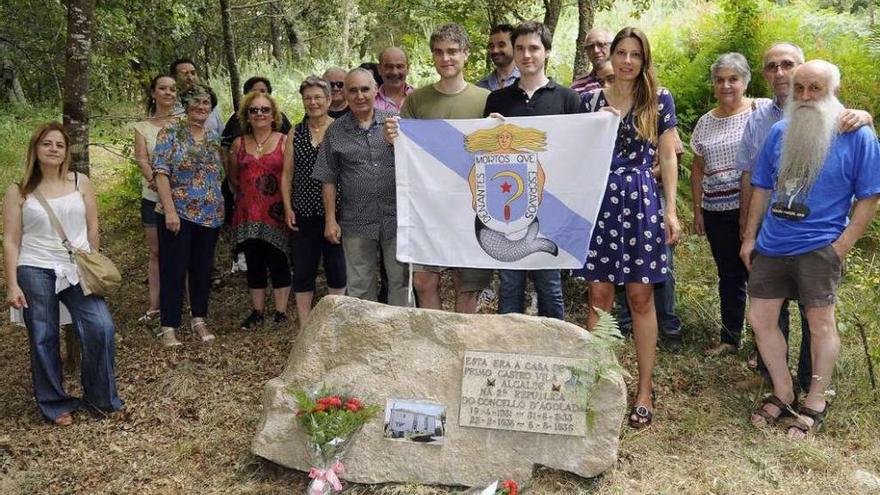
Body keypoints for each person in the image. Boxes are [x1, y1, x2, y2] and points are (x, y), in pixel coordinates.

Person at [741, 60, 880, 438]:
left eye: (814, 88)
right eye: (799, 88)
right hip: (772, 244)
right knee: (760, 319)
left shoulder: (857, 135)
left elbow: (869, 197)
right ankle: (783, 391)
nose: (803, 96)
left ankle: (816, 400)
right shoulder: (779, 132)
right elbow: (763, 188)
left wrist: (843, 245)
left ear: (832, 90)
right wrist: (750, 238)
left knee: (820, 325)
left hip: (820, 248)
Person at [579, 27, 681, 428]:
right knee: (599, 295)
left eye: (634, 54)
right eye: (620, 52)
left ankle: (643, 388)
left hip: (640, 199)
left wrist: (670, 209)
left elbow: (669, 156)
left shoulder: (658, 99)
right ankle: (597, 384)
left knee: (641, 296)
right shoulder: (590, 102)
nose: (626, 60)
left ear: (644, 59)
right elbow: (568, 148)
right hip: (600, 201)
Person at [3, 122, 124, 426]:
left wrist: (92, 259)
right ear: (35, 148)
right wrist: (12, 284)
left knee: (101, 327)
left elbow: (93, 225)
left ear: (67, 150)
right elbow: (11, 240)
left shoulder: (79, 181)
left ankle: (100, 398)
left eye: (59, 144)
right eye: (47, 143)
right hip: (35, 266)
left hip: (76, 267)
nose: (53, 149)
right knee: (43, 335)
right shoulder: (19, 191)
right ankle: (55, 403)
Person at [384, 23, 492, 313]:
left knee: (466, 284)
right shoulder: (417, 100)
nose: (446, 58)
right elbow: (405, 151)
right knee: (423, 281)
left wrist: (496, 129)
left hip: (470, 206)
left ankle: (461, 345)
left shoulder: (485, 100)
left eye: (453, 52)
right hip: (427, 205)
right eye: (439, 52)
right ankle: (436, 345)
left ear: (465, 54)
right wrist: (393, 138)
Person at [482, 21, 582, 319]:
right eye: (520, 48)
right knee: (510, 281)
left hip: (552, 205)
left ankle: (557, 350)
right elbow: (483, 156)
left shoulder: (568, 99)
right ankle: (508, 348)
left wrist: (604, 123)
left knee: (549, 282)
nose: (527, 55)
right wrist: (488, 130)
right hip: (508, 206)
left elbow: (582, 150)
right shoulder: (497, 100)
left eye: (534, 48)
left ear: (547, 52)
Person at [312, 68, 409, 306]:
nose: (359, 96)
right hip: (356, 220)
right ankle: (365, 337)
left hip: (396, 217)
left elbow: (416, 164)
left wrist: (398, 144)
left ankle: (402, 337)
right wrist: (330, 220)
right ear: (344, 94)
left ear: (376, 90)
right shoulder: (335, 131)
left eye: (365, 89)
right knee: (360, 286)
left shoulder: (395, 123)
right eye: (353, 90)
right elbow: (328, 177)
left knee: (401, 283)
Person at [690, 53, 766, 357]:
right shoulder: (705, 123)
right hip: (716, 211)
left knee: (760, 276)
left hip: (756, 209)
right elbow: (697, 169)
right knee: (729, 275)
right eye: (720, 80)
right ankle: (731, 338)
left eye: (733, 79)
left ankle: (764, 346)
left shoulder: (761, 110)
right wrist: (697, 209)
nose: (726, 85)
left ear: (745, 80)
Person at [152, 83, 225, 346]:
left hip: (210, 214)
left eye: (206, 103)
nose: (201, 107)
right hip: (178, 213)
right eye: (196, 102)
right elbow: (160, 173)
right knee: (173, 269)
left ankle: (199, 319)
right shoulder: (169, 133)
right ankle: (169, 325)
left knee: (202, 269)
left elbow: (217, 174)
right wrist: (170, 211)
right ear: (185, 104)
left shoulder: (213, 137)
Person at [282, 76, 347, 327]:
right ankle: (305, 324)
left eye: (318, 97)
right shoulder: (295, 132)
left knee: (336, 265)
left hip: (337, 210)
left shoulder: (341, 129)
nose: (313, 102)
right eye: (308, 98)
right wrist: (288, 206)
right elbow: (287, 173)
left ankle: (334, 322)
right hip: (303, 210)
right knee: (304, 267)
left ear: (329, 99)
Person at [229, 91, 291, 329]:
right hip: (247, 213)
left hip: (276, 212)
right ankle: (257, 311)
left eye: (265, 110)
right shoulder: (238, 144)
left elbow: (290, 176)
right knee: (254, 262)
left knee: (278, 259)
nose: (260, 114)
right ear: (247, 115)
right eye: (254, 110)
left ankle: (281, 311)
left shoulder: (285, 141)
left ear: (273, 114)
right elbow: (234, 178)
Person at [132, 74, 177, 322]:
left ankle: (187, 303)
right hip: (152, 196)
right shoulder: (143, 127)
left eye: (172, 89)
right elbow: (142, 159)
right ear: (153, 93)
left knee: (183, 250)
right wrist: (158, 184)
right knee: (156, 251)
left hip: (182, 198)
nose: (168, 93)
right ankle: (155, 304)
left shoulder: (183, 123)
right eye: (162, 88)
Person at [169, 58, 224, 135]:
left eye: (193, 73)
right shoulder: (170, 106)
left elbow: (222, 133)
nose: (190, 77)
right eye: (185, 73)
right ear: (174, 77)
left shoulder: (208, 104)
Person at [476, 24, 520, 91]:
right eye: (491, 46)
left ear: (514, 46)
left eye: (501, 45)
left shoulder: (528, 82)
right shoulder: (481, 86)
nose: (495, 50)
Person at [570, 27, 613, 95]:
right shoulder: (576, 87)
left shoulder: (628, 79)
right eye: (591, 46)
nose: (596, 50)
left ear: (612, 46)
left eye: (601, 44)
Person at [375, 47, 414, 112]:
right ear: (379, 69)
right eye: (389, 67)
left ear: (408, 69)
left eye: (399, 66)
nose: (394, 72)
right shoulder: (369, 101)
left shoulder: (421, 98)